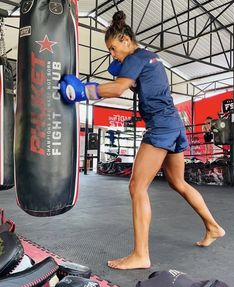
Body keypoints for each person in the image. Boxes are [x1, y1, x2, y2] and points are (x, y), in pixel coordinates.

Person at [60, 11, 225, 270]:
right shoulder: (149, 58)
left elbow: (116, 89)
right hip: (173, 124)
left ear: (126, 40)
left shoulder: (136, 57)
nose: (112, 55)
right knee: (178, 182)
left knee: (137, 187)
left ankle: (141, 254)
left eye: (113, 48)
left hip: (161, 124)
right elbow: (134, 83)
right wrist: (122, 71)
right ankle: (213, 227)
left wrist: (83, 92)